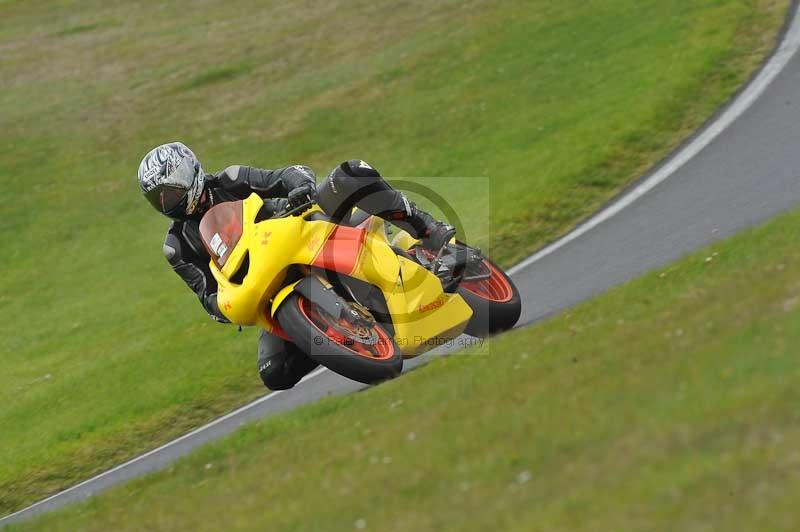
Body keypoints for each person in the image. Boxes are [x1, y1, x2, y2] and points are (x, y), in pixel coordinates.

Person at [137, 142, 455, 390]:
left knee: (351, 173)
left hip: (306, 231)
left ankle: (429, 232)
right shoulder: (176, 246)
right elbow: (205, 294)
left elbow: (289, 174)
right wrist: (222, 305)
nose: (168, 203)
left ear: (189, 173)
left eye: (170, 192)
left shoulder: (231, 179)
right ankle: (339, 338)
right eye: (159, 200)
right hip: (267, 284)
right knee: (274, 372)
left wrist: (299, 187)